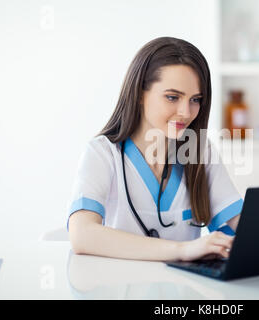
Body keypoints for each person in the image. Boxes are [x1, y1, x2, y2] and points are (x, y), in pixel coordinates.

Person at [67, 37, 243, 262]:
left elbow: (243, 227)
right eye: (172, 97)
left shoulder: (200, 152)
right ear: (140, 94)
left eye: (195, 99)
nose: (186, 112)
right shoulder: (102, 153)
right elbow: (82, 236)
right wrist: (182, 250)